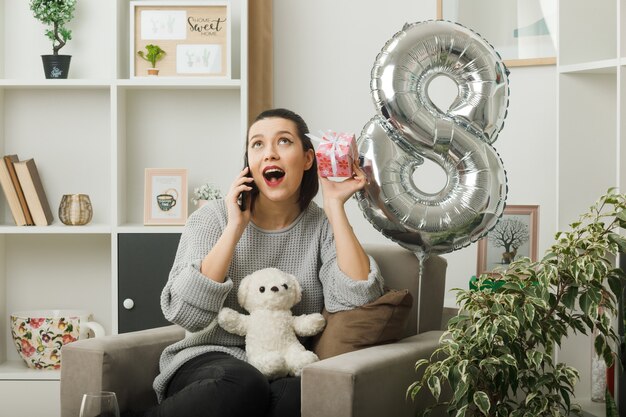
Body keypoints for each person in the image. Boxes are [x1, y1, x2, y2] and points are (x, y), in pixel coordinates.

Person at [143, 108, 384, 417]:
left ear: (308, 158)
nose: (269, 153)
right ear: (250, 162)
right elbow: (186, 313)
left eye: (283, 142)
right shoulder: (211, 218)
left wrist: (335, 205)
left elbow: (357, 298)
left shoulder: (321, 226)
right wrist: (234, 228)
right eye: (257, 144)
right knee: (245, 383)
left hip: (281, 364)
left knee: (301, 397)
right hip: (208, 362)